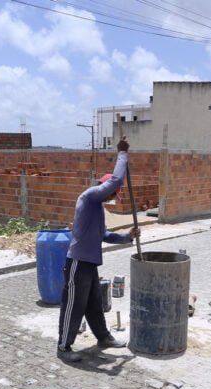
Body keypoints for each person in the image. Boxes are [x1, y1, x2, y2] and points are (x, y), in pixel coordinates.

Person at [57, 136, 139, 363]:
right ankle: (63, 347)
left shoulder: (98, 208)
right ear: (104, 188)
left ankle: (103, 337)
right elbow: (114, 181)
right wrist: (122, 153)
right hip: (77, 263)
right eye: (113, 192)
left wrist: (127, 237)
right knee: (74, 305)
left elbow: (104, 235)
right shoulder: (89, 197)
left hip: (90, 265)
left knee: (94, 303)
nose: (114, 196)